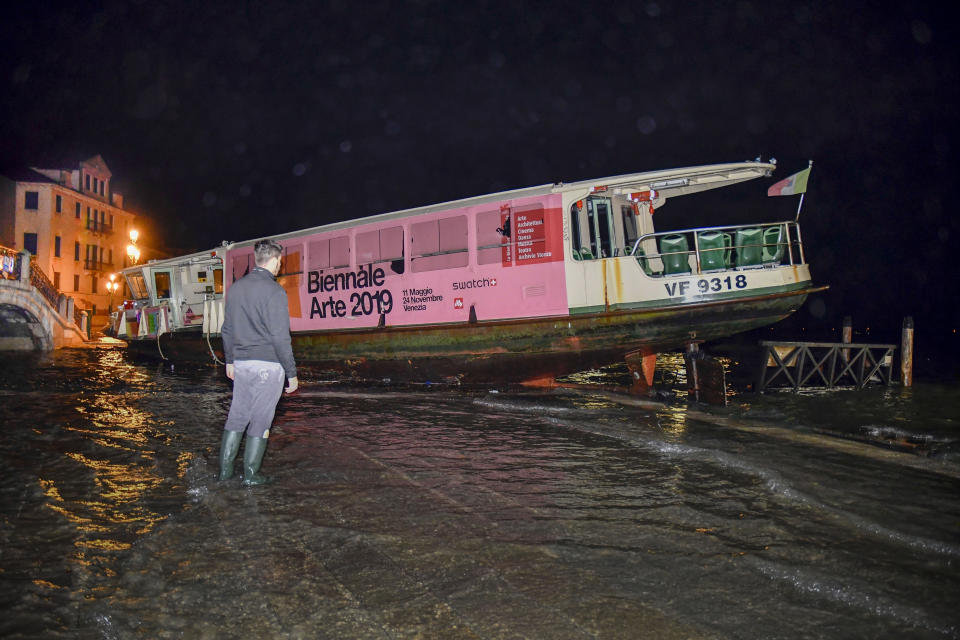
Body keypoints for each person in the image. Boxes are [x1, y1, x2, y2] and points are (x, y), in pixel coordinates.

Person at [218, 239, 298, 486]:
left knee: (237, 416)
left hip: (242, 363)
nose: (280, 266)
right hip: (268, 365)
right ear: (274, 261)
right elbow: (280, 337)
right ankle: (251, 476)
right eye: (280, 262)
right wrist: (291, 372)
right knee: (261, 419)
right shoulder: (275, 291)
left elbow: (227, 329)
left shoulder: (237, 288)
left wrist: (230, 360)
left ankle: (225, 474)